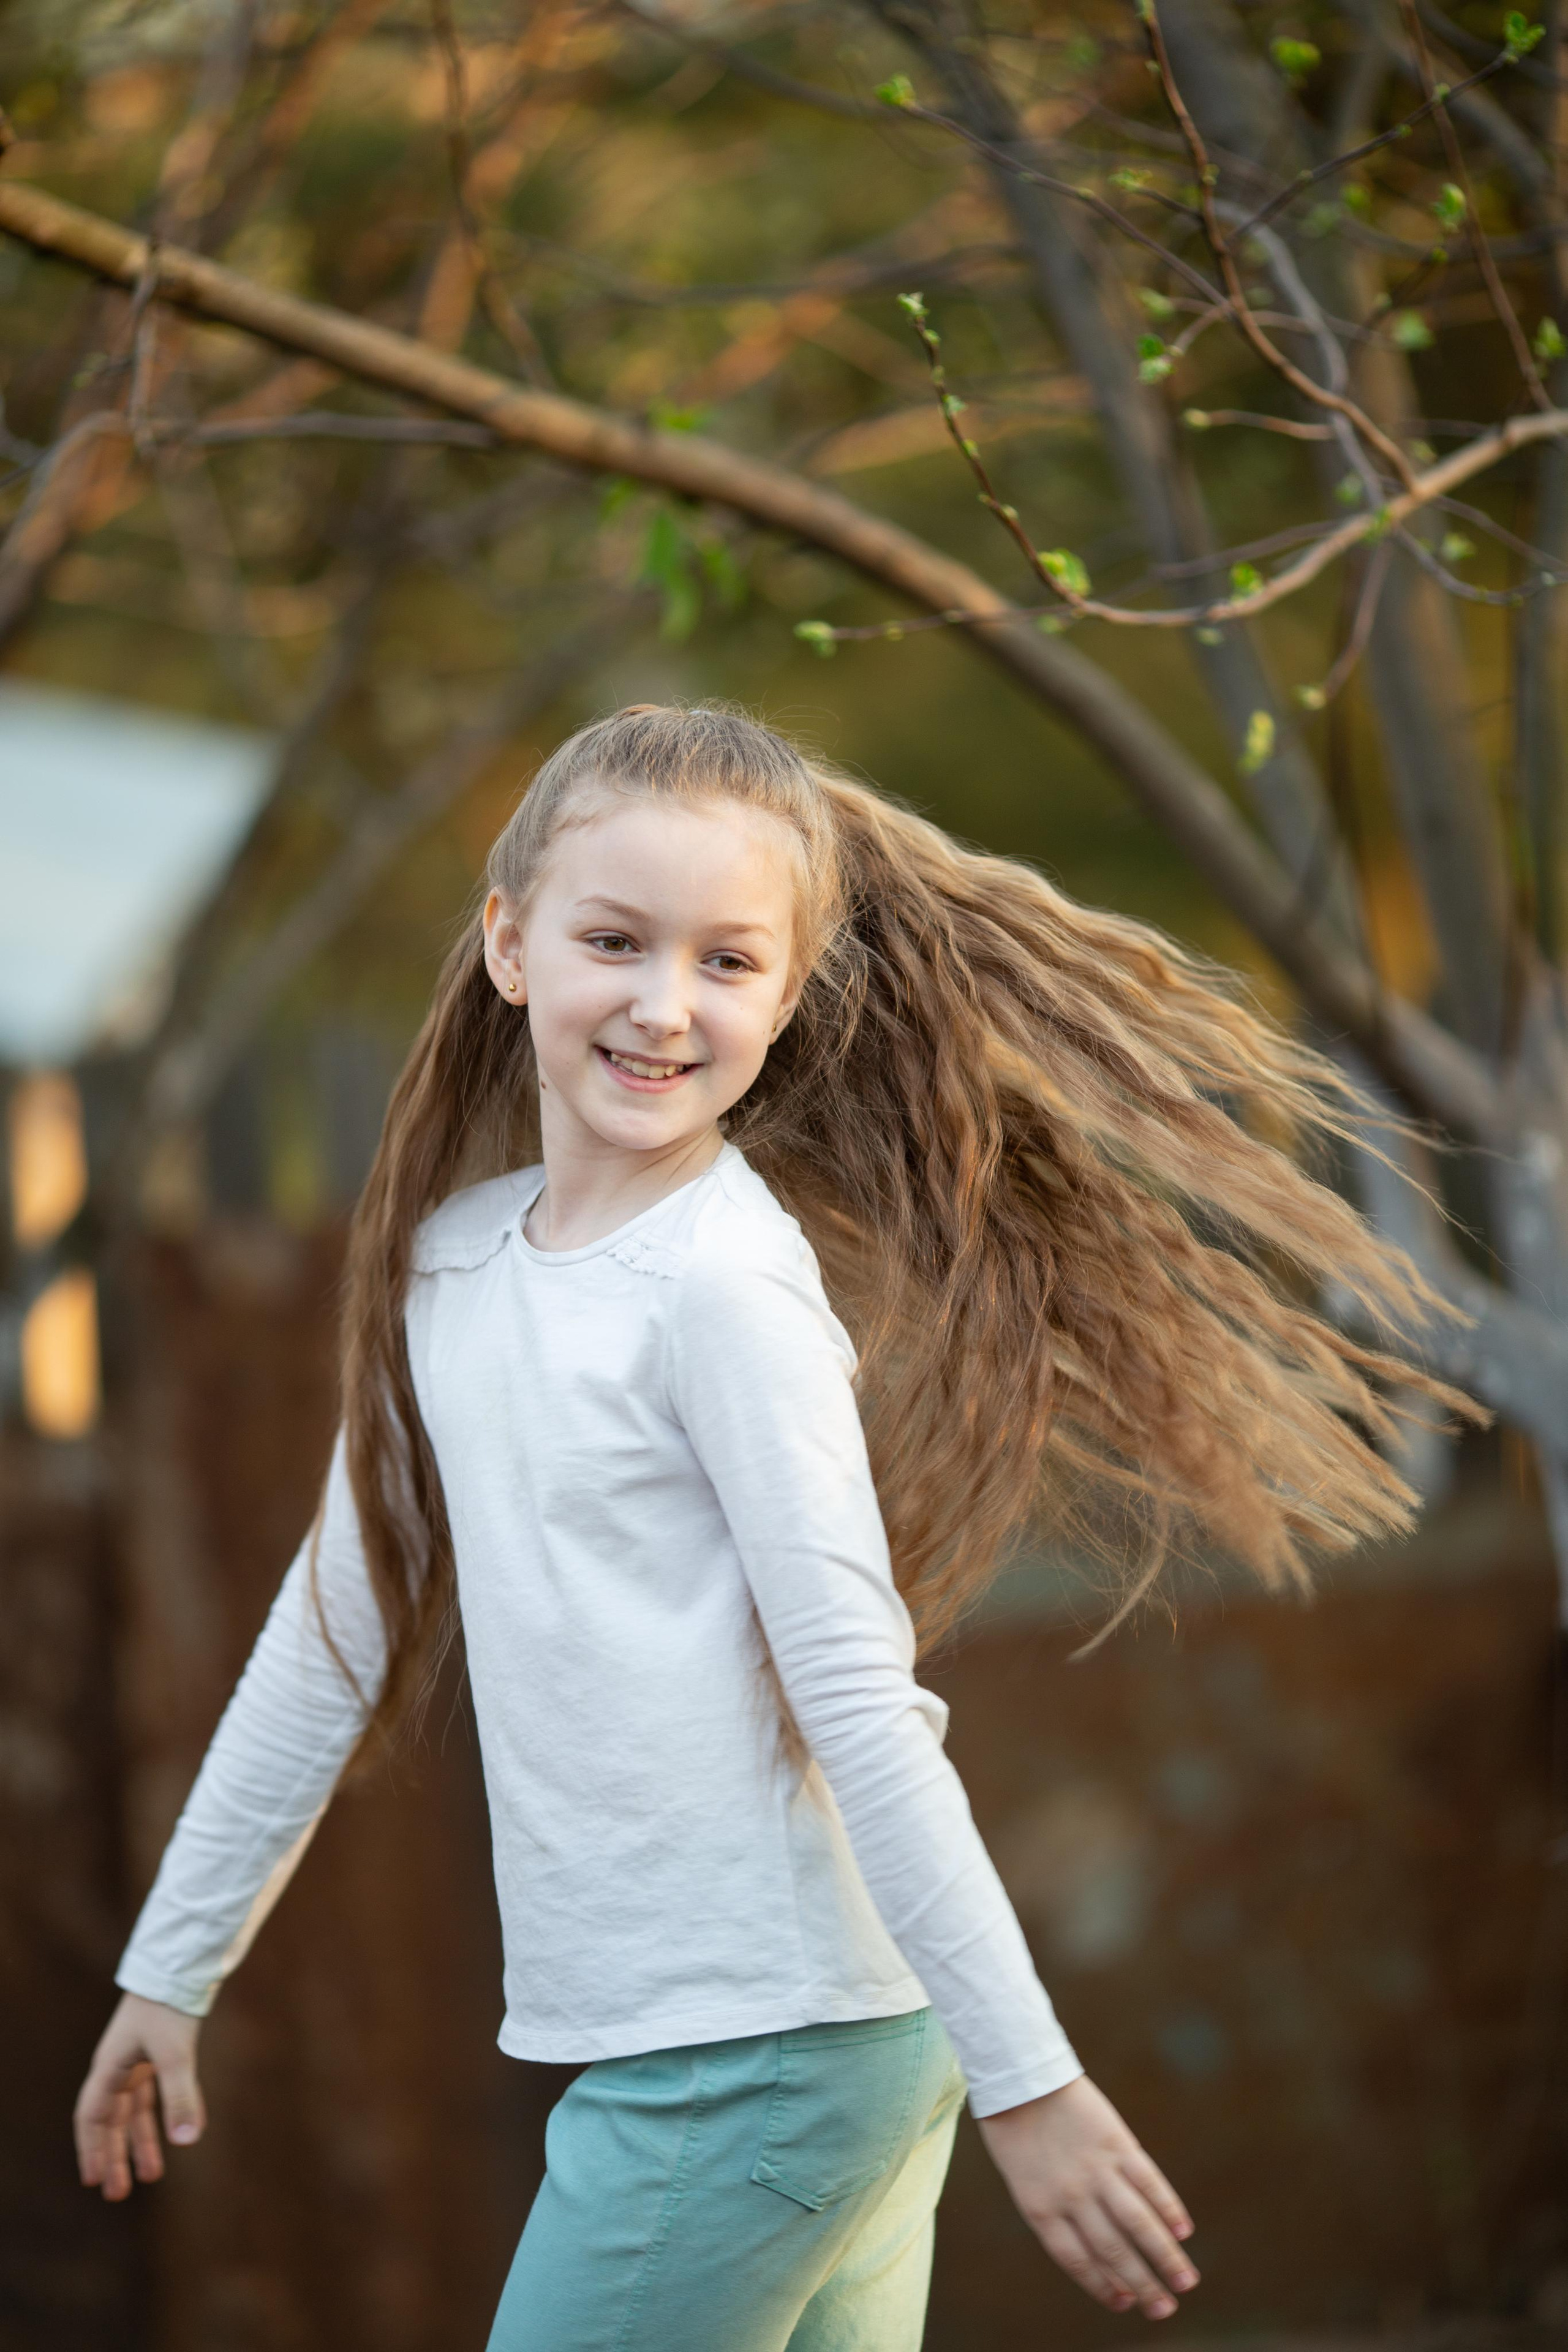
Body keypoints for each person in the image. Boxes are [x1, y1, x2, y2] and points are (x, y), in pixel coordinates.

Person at [75, 704, 1456, 2350]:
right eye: (614, 941)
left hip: (771, 2065)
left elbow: (863, 1708)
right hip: (769, 2053)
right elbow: (326, 1644)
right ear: (510, 945)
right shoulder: (451, 1270)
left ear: (788, 997)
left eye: (728, 962)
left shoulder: (725, 1289)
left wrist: (1036, 2085)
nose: (665, 1004)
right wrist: (171, 1974)